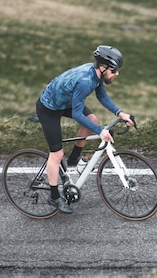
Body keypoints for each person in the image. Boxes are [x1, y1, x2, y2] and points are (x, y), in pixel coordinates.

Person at [36, 45, 132, 214]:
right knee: (56, 154)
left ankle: (73, 161)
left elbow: (102, 96)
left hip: (64, 103)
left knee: (92, 119)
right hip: (49, 109)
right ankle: (54, 197)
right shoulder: (85, 81)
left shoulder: (96, 76)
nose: (117, 74)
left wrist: (120, 113)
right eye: (114, 70)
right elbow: (77, 114)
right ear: (103, 68)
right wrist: (100, 131)